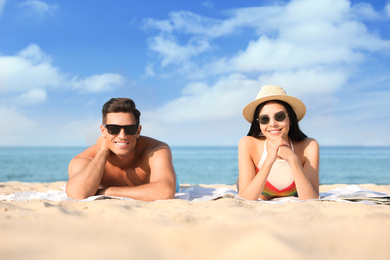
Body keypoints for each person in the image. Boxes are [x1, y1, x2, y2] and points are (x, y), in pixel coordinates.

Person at [66, 98, 177, 201]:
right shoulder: (84, 159)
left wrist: (106, 191)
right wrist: (102, 152)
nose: (122, 136)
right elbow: (77, 194)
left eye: (130, 129)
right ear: (103, 130)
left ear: (138, 131)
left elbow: (166, 191)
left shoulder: (155, 150)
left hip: (164, 176)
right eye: (113, 129)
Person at [238, 85, 319, 201]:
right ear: (258, 124)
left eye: (279, 116)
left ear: (290, 119)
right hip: (258, 191)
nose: (273, 124)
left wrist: (293, 159)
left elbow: (312, 198)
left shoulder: (309, 146)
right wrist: (269, 160)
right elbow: (246, 198)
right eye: (264, 119)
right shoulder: (248, 143)